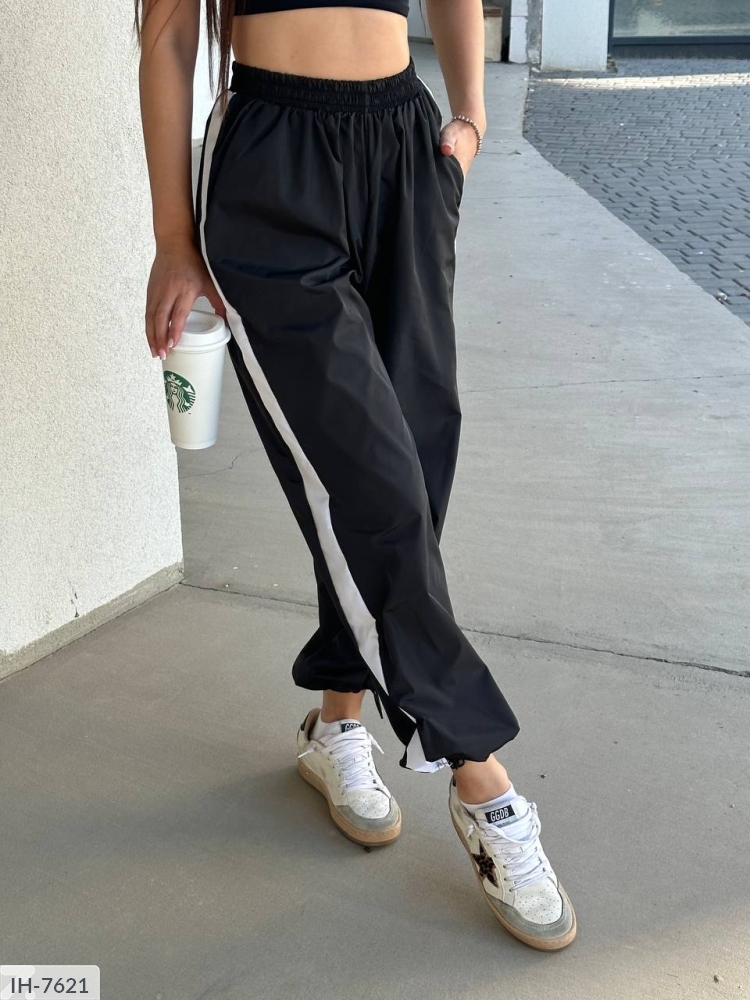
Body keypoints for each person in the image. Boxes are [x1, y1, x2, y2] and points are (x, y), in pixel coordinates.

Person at [135, 0, 576, 951]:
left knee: (417, 461)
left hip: (405, 149)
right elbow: (168, 36)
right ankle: (479, 774)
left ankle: (339, 720)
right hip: (272, 168)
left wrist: (469, 116)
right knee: (374, 485)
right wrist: (174, 237)